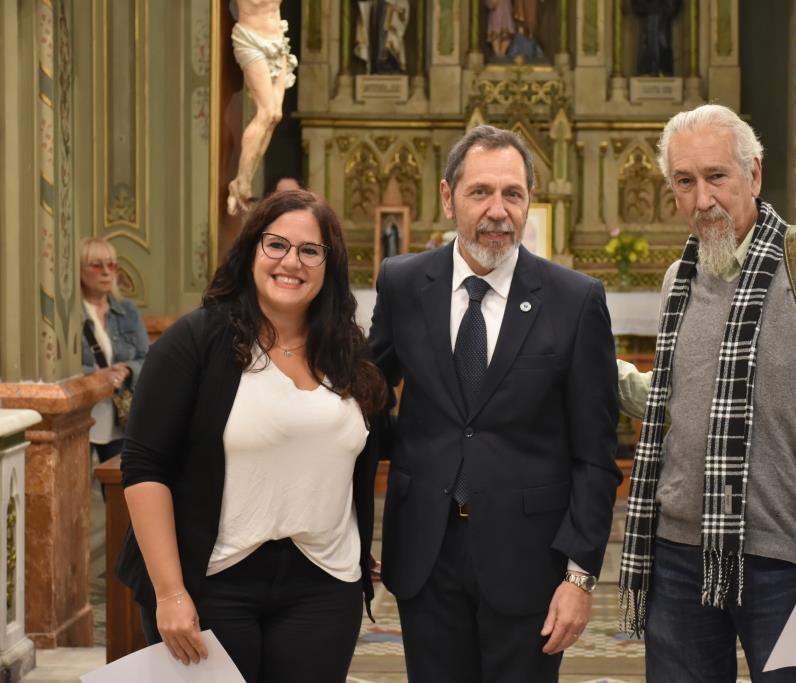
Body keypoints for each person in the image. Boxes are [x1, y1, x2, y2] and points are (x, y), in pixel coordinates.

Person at [616, 104, 796, 682]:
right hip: (677, 555)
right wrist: (595, 368)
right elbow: (678, 398)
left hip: (790, 556)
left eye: (716, 177)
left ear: (754, 175)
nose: (702, 200)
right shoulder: (680, 279)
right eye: (684, 182)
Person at [368, 125, 622, 683]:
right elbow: (363, 407)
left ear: (530, 199)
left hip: (530, 562)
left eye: (513, 193)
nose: (497, 210)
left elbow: (595, 454)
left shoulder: (575, 301)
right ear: (446, 196)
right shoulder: (404, 283)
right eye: (480, 192)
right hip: (425, 556)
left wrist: (580, 579)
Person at [116, 190, 387, 682]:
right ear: (251, 252)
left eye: (310, 250)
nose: (292, 262)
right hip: (213, 580)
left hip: (325, 584)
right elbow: (144, 467)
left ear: (330, 264)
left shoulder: (350, 352)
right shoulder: (196, 342)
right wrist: (170, 592)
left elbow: (356, 459)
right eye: (277, 245)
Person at [80, 237, 149, 463]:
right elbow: (61, 369)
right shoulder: (70, 317)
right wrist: (96, 376)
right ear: (80, 270)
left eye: (111, 265)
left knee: (119, 488)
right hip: (82, 416)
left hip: (120, 416)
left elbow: (146, 358)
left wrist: (127, 370)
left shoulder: (127, 310)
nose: (106, 272)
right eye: (96, 265)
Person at [227, 0, 299, 216]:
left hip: (277, 40)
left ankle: (243, 181)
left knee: (275, 115)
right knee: (265, 112)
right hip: (252, 39)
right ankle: (242, 181)